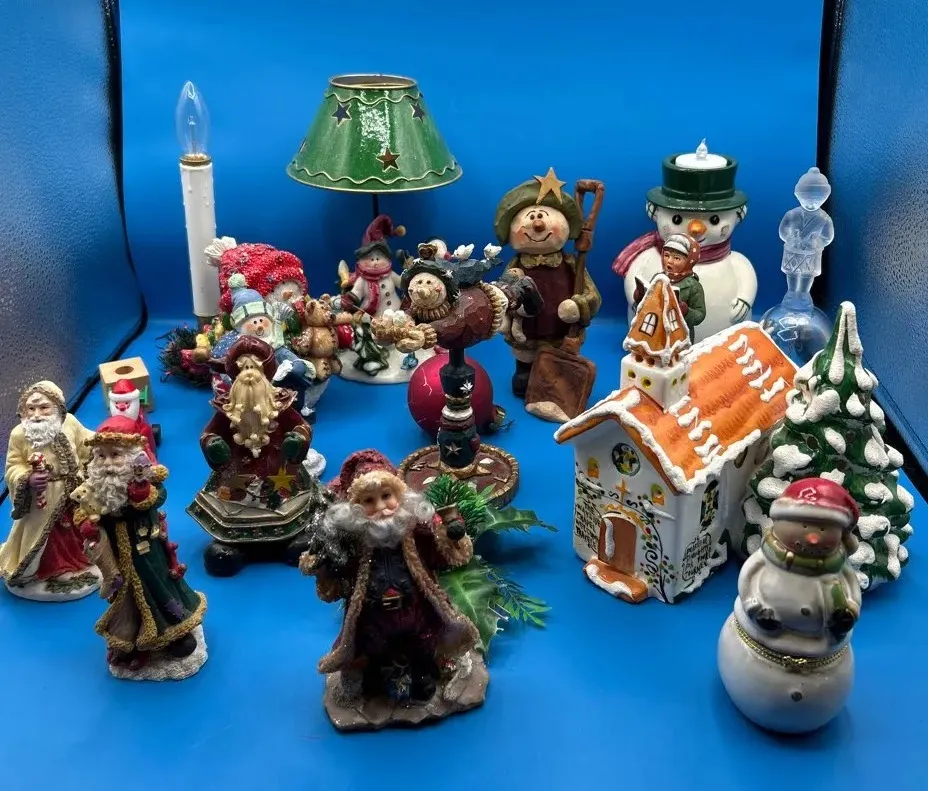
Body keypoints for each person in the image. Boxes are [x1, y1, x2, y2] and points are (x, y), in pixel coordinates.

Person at [300, 450, 478, 702]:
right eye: (369, 501)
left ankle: (424, 676)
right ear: (356, 508)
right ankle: (374, 681)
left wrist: (451, 536)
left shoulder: (417, 533)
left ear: (400, 495)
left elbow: (444, 557)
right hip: (373, 616)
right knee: (373, 649)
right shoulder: (354, 544)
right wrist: (322, 567)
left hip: (416, 609)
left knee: (421, 645)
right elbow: (338, 581)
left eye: (386, 496)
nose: (381, 508)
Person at [77, 416, 206, 675]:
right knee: (125, 598)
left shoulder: (145, 480)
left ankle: (173, 633)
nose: (108, 463)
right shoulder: (93, 486)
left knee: (158, 590)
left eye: (115, 454)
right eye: (101, 456)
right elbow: (83, 512)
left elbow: (154, 498)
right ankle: (131, 640)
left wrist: (140, 491)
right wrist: (88, 525)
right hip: (116, 555)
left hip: (147, 553)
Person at [0, 381, 100, 601]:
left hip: (75, 492)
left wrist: (104, 441)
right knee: (49, 538)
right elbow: (13, 466)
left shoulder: (70, 422)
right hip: (44, 498)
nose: (37, 415)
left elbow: (86, 443)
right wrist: (28, 478)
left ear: (57, 407)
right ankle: (53, 570)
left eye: (44, 407)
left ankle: (82, 560)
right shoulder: (19, 435)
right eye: (31, 408)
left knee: (79, 528)